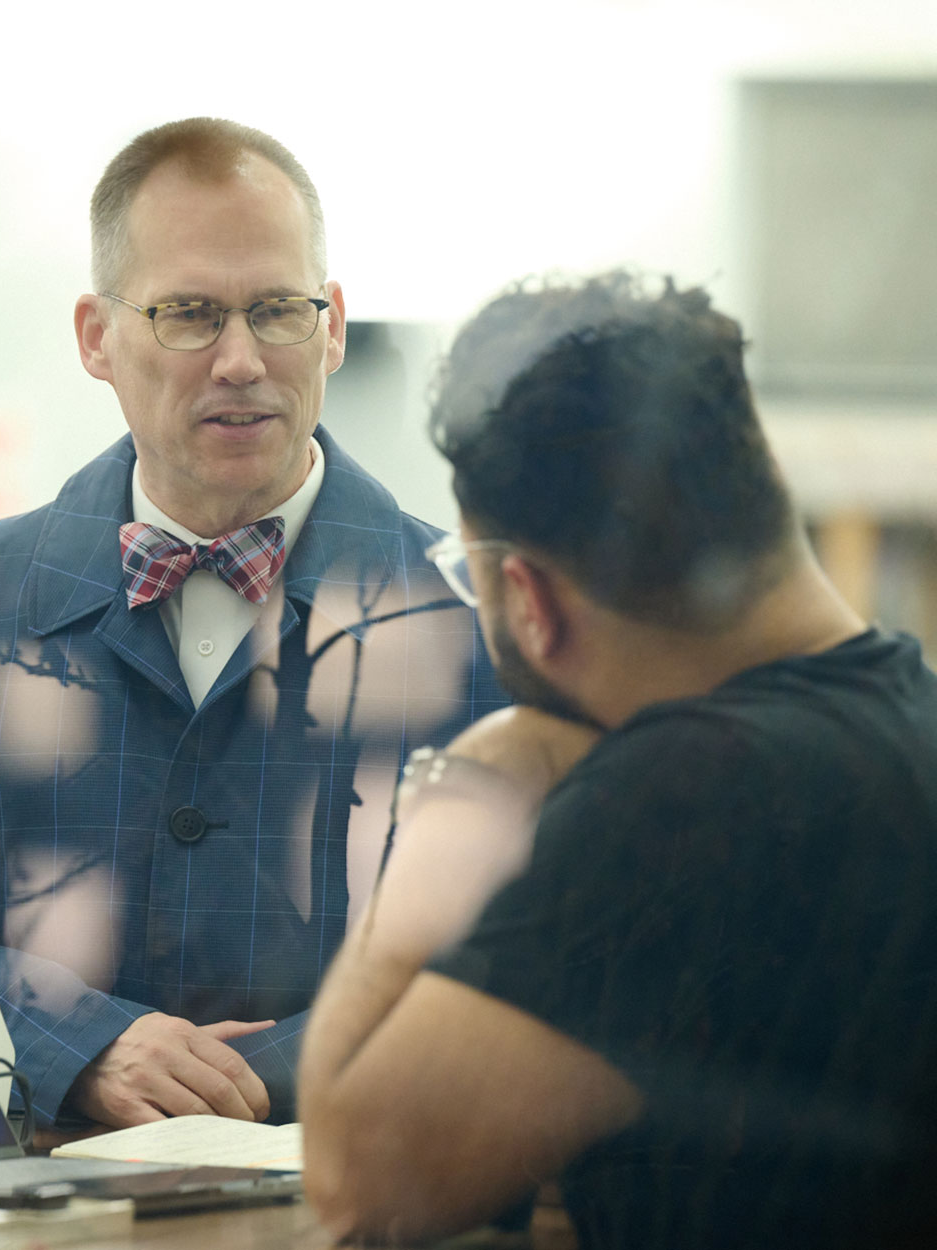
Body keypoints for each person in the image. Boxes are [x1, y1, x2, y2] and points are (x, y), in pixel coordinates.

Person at [298, 271, 937, 1249]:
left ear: (528, 599)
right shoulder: (907, 722)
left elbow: (357, 1181)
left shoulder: (687, 793)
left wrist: (469, 787)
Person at [0, 117, 503, 1132]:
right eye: (190, 313)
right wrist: (75, 1038)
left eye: (278, 310)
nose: (241, 359)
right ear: (95, 337)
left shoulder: (487, 628)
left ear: (331, 324)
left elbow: (527, 951)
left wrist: (273, 1068)